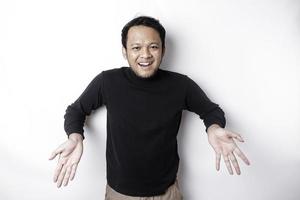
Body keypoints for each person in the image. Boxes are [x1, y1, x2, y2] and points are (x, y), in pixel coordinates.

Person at [49, 15, 250, 200]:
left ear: (163, 49)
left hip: (167, 193)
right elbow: (76, 110)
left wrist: (214, 128)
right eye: (136, 47)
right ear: (124, 51)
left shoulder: (181, 85)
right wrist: (75, 136)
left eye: (153, 46)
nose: (145, 55)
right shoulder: (108, 82)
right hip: (120, 194)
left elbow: (211, 110)